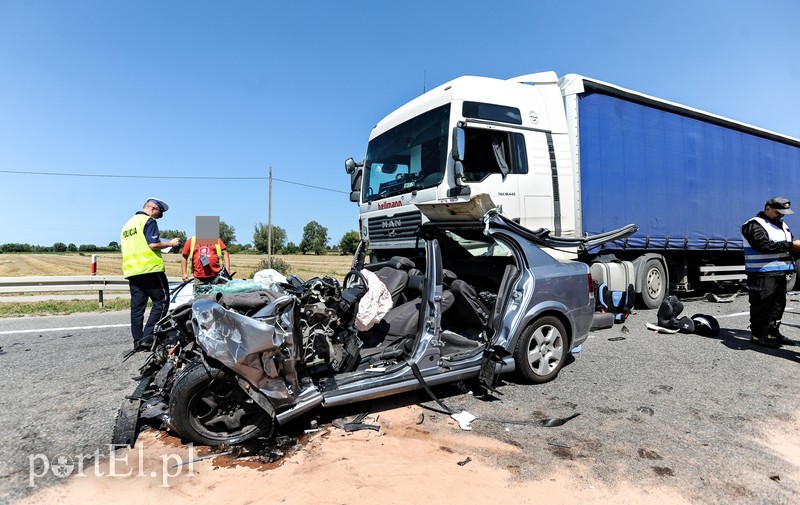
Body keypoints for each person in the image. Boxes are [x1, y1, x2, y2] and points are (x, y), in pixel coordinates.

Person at [120, 197, 180, 351]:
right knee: (162, 301)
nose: (159, 216)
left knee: (137, 308)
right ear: (153, 209)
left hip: (132, 271)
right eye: (159, 213)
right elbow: (153, 244)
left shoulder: (127, 225)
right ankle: (149, 338)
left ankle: (138, 341)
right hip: (150, 269)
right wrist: (171, 243)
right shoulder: (148, 221)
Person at [741, 197, 800, 348]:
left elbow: (787, 247)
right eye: (778, 211)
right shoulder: (754, 224)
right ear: (767, 208)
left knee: (778, 305)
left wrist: (794, 248)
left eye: (784, 212)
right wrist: (791, 245)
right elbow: (762, 244)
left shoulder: (781, 225)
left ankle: (772, 332)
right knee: (762, 304)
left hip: (779, 272)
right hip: (762, 273)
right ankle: (758, 335)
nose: (782, 215)